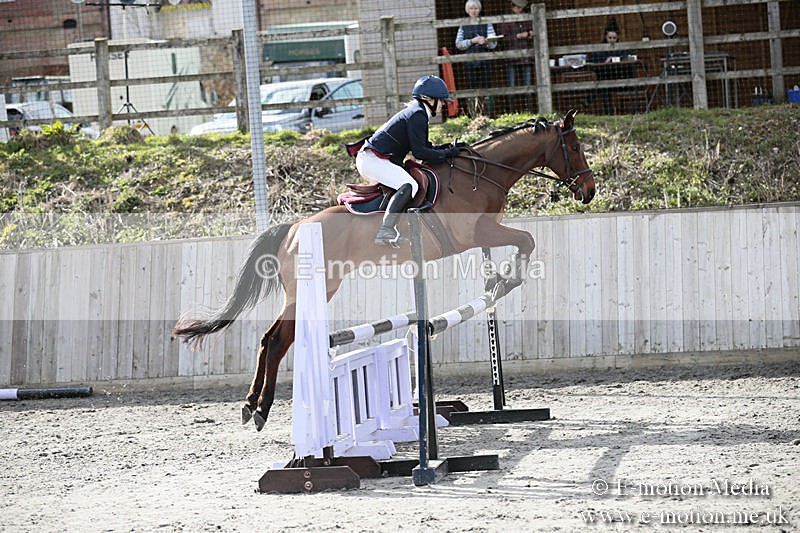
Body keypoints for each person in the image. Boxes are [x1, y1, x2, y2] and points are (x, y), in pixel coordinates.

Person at [356, 75, 461, 245]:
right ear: (428, 99)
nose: (443, 104)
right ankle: (385, 230)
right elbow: (420, 153)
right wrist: (448, 154)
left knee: (406, 184)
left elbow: (425, 147)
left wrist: (446, 149)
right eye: (441, 101)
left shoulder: (418, 112)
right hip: (372, 159)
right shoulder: (417, 114)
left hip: (376, 158)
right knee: (410, 185)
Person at [455, 0, 498, 117]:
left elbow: (494, 44)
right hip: (470, 61)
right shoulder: (463, 25)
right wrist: (472, 41)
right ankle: (473, 115)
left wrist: (486, 42)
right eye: (471, 9)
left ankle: (489, 115)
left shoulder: (487, 23)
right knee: (471, 88)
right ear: (467, 10)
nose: (474, 11)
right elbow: (458, 44)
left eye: (476, 8)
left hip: (485, 61)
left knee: (487, 88)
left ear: (479, 9)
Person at [495, 0, 533, 112]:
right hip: (511, 57)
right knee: (511, 87)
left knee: (528, 86)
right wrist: (518, 36)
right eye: (517, 7)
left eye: (521, 8)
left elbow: (533, 29)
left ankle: (528, 110)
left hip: (526, 56)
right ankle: (511, 111)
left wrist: (530, 34)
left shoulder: (526, 17)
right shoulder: (505, 19)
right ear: (512, 6)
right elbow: (502, 38)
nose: (519, 9)